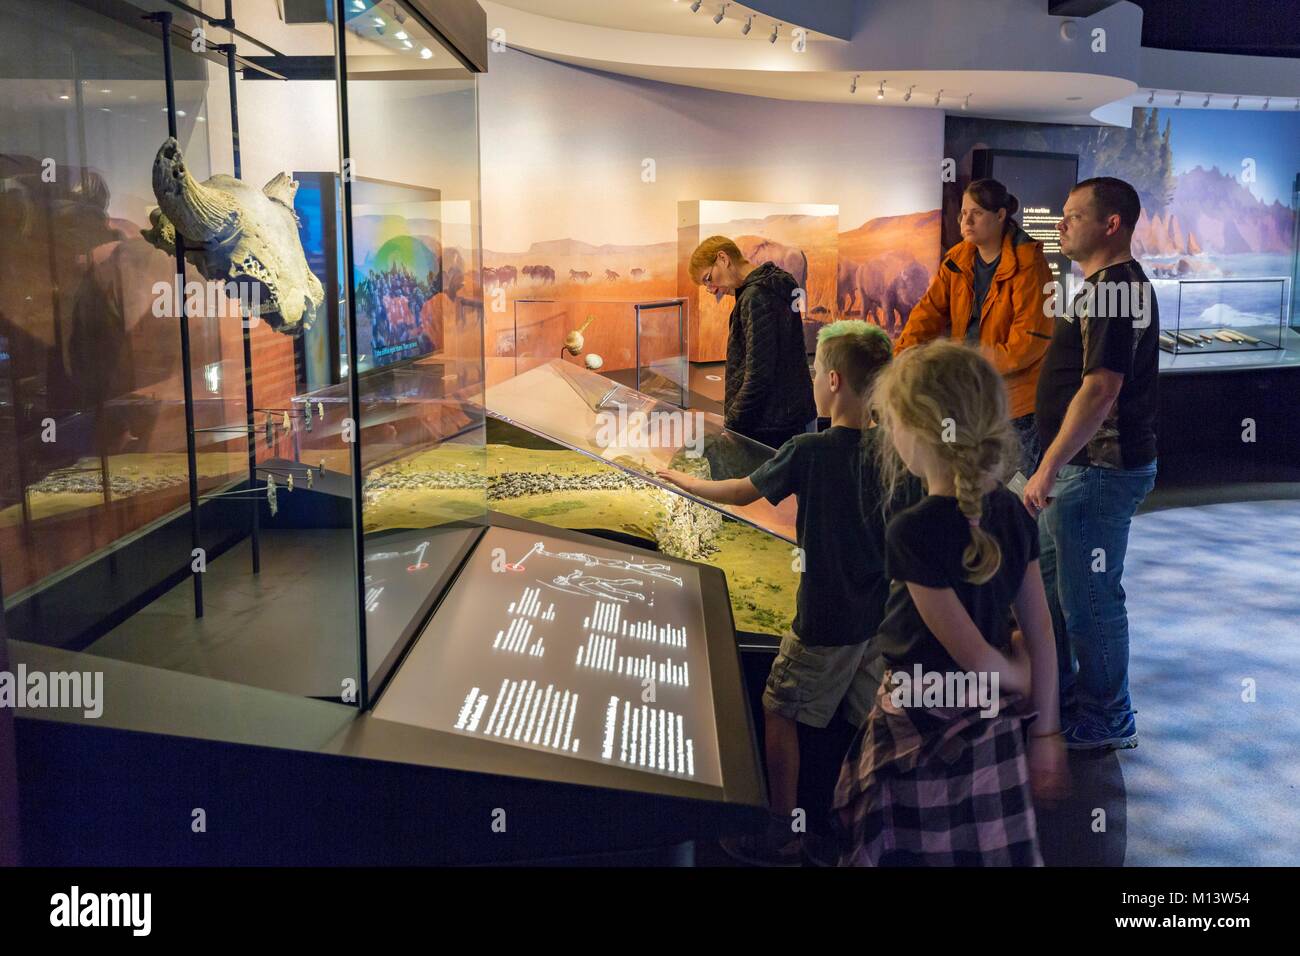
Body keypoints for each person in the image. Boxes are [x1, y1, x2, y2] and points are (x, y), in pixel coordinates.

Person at [659, 320, 896, 865]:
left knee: (779, 708)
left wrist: (685, 483)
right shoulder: (894, 451)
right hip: (877, 622)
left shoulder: (809, 450)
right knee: (867, 721)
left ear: (833, 379)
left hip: (824, 621)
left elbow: (744, 492)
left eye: (815, 370)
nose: (811, 378)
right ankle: (861, 825)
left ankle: (781, 831)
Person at [834, 339, 1068, 867]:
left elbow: (974, 657)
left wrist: (1019, 675)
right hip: (992, 728)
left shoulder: (912, 531)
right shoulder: (1012, 512)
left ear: (918, 430)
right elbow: (1042, 633)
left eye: (892, 421)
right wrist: (1047, 728)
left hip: (923, 722)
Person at [1024, 177, 1159, 751]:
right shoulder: (1108, 287)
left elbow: (1101, 388)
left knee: (1091, 598)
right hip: (1083, 472)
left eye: (1073, 216)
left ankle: (1109, 716)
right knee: (1060, 590)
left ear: (1111, 224)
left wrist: (1049, 465)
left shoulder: (1111, 291)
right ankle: (1071, 696)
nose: (1060, 225)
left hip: (1096, 473)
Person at [896, 179, 1055, 475]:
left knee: (1010, 490)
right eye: (963, 213)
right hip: (969, 394)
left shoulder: (1030, 265)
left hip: (1014, 401)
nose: (966, 220)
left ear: (1000, 215)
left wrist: (967, 361)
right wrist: (900, 358)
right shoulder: (959, 259)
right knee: (967, 479)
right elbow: (927, 314)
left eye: (978, 213)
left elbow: (1029, 343)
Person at [688, 236, 816, 448]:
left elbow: (759, 375)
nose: (711, 289)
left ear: (723, 258)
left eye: (708, 278)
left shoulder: (756, 296)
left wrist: (732, 425)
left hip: (772, 426)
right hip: (790, 416)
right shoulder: (774, 285)